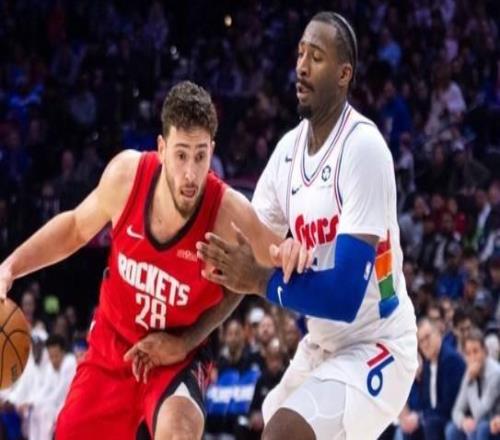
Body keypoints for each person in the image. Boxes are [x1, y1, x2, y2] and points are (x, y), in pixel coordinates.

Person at [0, 81, 303, 440]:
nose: (190, 174)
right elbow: (75, 229)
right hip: (113, 345)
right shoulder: (127, 177)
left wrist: (294, 250)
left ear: (212, 150)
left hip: (178, 355)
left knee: (179, 433)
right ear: (161, 148)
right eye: (181, 155)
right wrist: (10, 267)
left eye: (200, 156)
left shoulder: (228, 213)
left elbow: (273, 267)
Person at [197, 11, 418, 440]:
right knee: (271, 419)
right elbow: (248, 252)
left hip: (379, 345)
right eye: (300, 53)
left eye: (316, 57)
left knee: (283, 431)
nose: (301, 66)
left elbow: (343, 297)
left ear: (343, 74)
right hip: (322, 346)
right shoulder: (287, 152)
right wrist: (192, 337)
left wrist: (262, 278)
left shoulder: (363, 148)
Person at [447, 328, 500, 440]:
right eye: (468, 353)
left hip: (494, 423)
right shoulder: (469, 373)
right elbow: (456, 410)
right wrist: (463, 421)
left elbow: (479, 413)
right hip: (482, 422)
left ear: (485, 351)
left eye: (476, 351)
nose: (472, 357)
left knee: (480, 428)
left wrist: (471, 382)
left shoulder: (495, 373)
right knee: (451, 429)